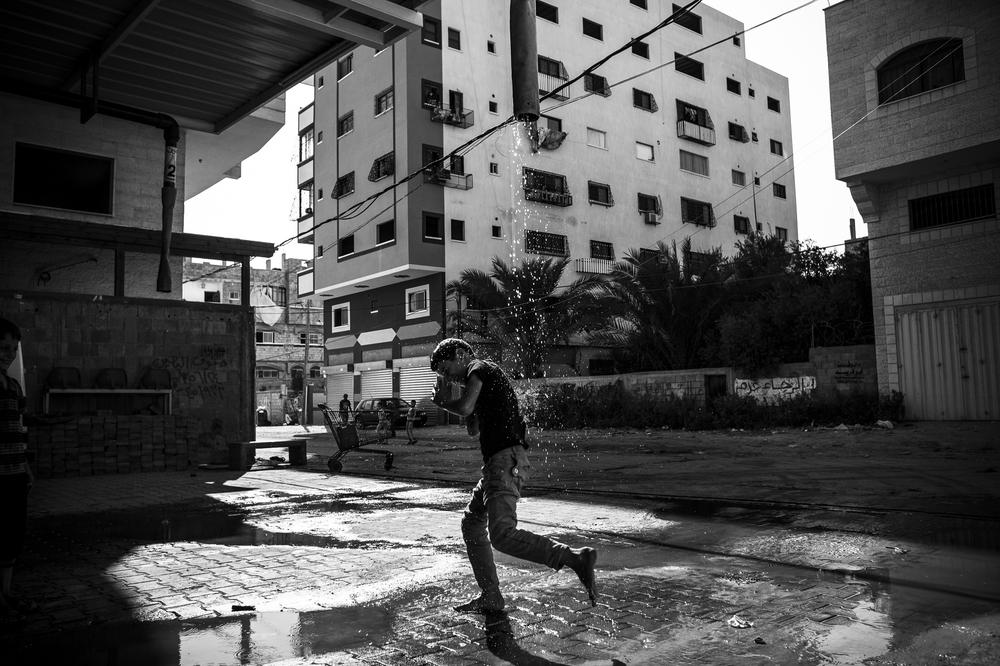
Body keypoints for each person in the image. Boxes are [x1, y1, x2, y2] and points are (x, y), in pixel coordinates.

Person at [430, 338, 597, 613]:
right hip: (496, 465)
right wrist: (457, 398)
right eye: (444, 376)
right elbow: (472, 427)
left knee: (502, 535)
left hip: (505, 461)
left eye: (447, 370)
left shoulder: (479, 368)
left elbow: (465, 407)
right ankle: (491, 596)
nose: (449, 378)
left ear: (460, 354)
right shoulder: (480, 382)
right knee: (472, 523)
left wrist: (444, 402)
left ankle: (574, 558)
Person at [0, 317, 34, 619]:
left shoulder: (12, 386)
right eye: (2, 348)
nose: (8, 354)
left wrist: (25, 466)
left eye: (12, 349)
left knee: (12, 536)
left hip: (15, 474)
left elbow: (18, 428)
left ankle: (6, 593)